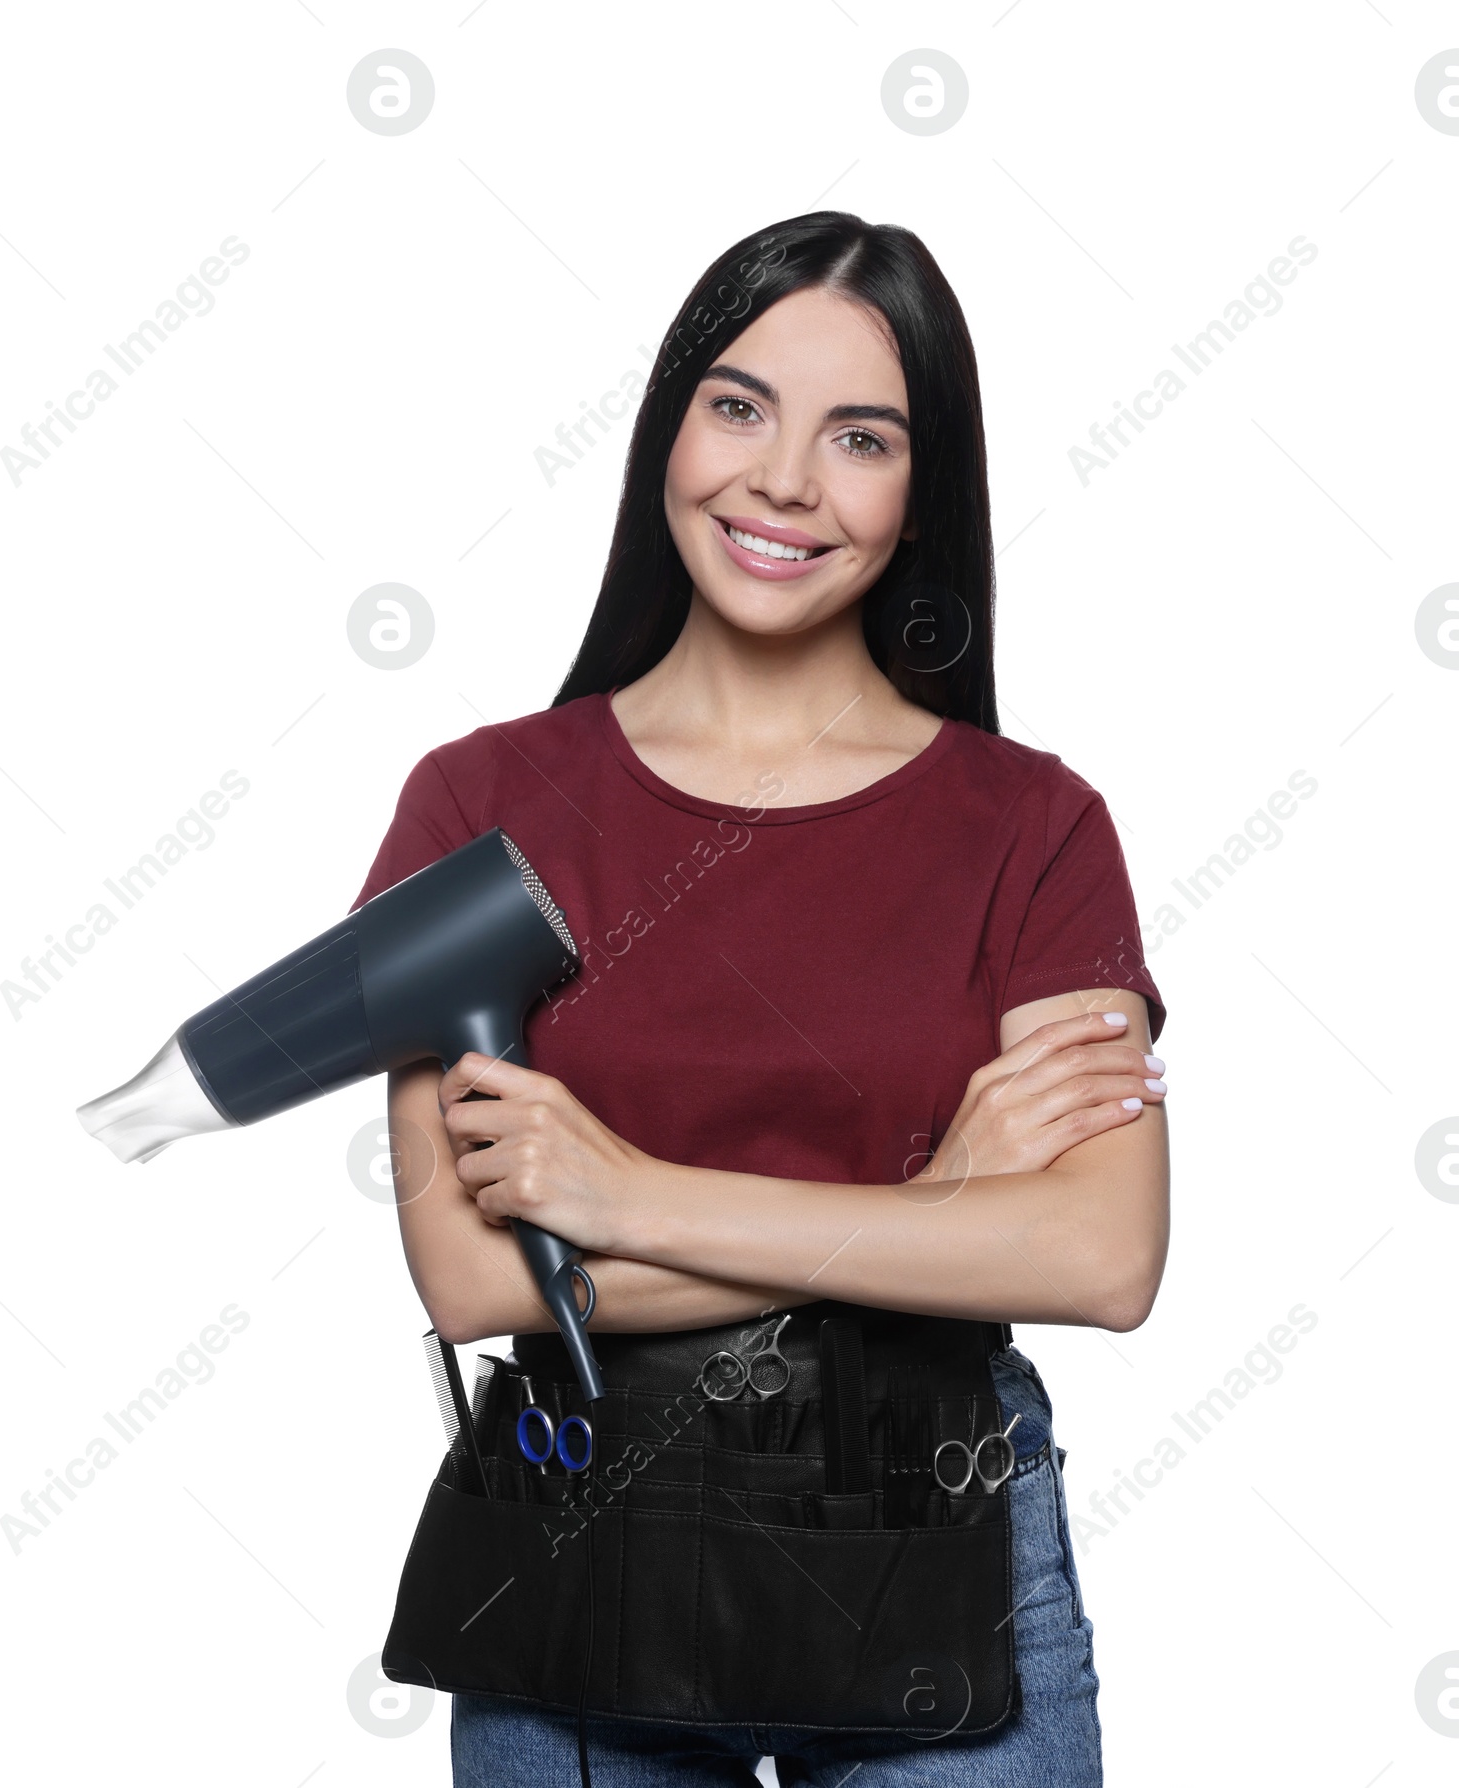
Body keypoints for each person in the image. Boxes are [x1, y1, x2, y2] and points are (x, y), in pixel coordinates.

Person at [353, 211, 1169, 1786]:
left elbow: (1101, 1251)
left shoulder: (1037, 826)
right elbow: (471, 1282)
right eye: (738, 405)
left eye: (860, 436)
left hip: (945, 1546)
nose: (784, 479)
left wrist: (630, 1198)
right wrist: (926, 1210)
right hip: (586, 1546)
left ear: (924, 493)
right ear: (668, 428)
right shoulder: (477, 811)